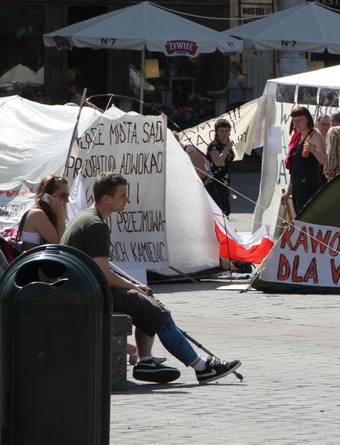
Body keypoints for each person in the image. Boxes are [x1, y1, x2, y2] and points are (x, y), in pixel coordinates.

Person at [62, 172, 241, 384]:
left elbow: (100, 269)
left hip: (82, 288)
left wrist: (136, 287)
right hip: (89, 294)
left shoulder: (86, 218)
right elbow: (105, 275)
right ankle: (201, 367)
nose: (127, 200)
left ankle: (145, 361)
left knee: (147, 299)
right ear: (106, 198)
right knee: (157, 311)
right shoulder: (96, 226)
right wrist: (133, 287)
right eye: (123, 195)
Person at [281, 107, 328, 215]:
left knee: (306, 219)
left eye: (299, 120)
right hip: (297, 185)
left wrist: (314, 150)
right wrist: (288, 191)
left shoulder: (315, 135)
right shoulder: (297, 137)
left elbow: (325, 161)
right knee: (299, 219)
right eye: (294, 120)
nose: (296, 123)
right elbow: (294, 168)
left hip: (309, 185)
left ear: (307, 119)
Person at [17, 175, 69, 249]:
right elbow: (61, 244)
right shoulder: (37, 214)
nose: (67, 201)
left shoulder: (51, 215)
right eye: (64, 196)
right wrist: (60, 216)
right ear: (48, 197)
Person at [205, 119, 235, 217]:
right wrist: (226, 149)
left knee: (226, 211)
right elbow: (217, 162)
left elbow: (226, 166)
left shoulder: (227, 144)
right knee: (221, 212)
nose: (224, 133)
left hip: (224, 182)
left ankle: (224, 231)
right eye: (221, 131)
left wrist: (228, 186)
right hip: (214, 182)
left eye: (226, 131)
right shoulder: (214, 146)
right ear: (217, 132)